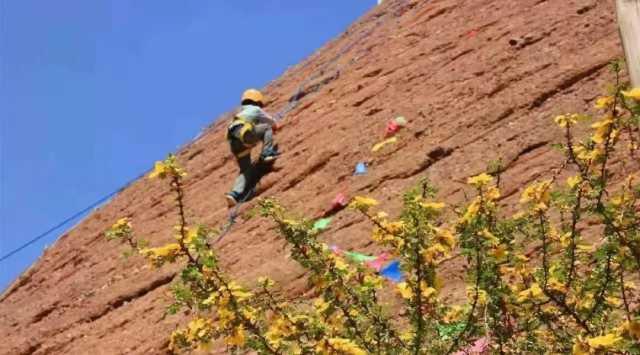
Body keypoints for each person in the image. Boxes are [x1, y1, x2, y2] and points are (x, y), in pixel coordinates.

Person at [225, 89, 279, 207]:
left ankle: (234, 194)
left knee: (245, 169)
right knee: (266, 128)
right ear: (257, 100)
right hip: (244, 134)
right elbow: (270, 121)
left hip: (235, 143)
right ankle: (267, 153)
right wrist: (275, 126)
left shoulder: (240, 113)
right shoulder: (256, 109)